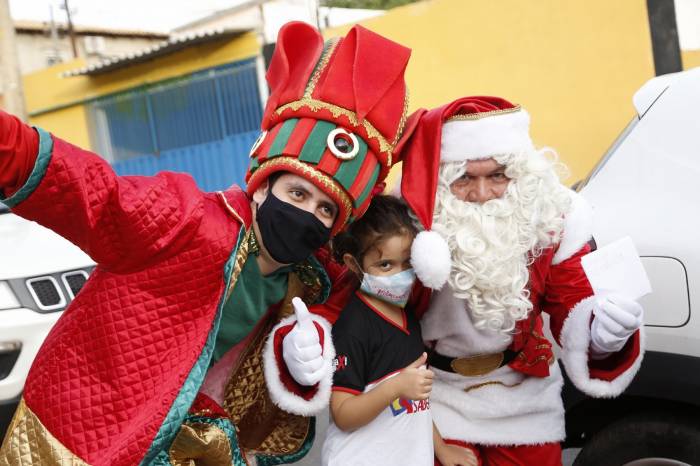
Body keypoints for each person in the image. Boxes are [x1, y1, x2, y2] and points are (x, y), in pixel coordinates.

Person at [0, 21, 417, 465]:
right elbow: (92, 193)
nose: (307, 213)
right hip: (85, 431)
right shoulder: (185, 220)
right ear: (262, 186)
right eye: (297, 193)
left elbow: (386, 273)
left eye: (325, 208)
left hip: (186, 437)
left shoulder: (312, 276)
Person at [399, 96, 645, 466]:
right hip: (434, 396)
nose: (482, 195)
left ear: (520, 176)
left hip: (523, 400)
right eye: (464, 178)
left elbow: (573, 301)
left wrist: (603, 334)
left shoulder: (548, 222)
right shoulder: (408, 227)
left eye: (497, 176)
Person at [321, 195, 477, 466]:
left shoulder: (408, 316)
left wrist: (441, 449)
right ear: (353, 264)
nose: (400, 274)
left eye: (407, 263)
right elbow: (343, 415)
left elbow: (415, 405)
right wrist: (395, 387)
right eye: (385, 265)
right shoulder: (353, 327)